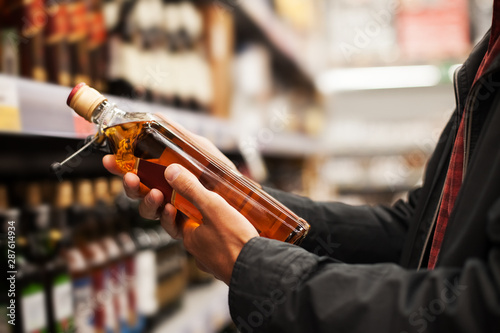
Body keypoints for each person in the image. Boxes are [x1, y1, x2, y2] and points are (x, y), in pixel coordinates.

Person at [103, 3, 500, 332]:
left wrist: (253, 266)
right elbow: (417, 233)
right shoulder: (490, 51)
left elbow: (481, 306)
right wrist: (237, 193)